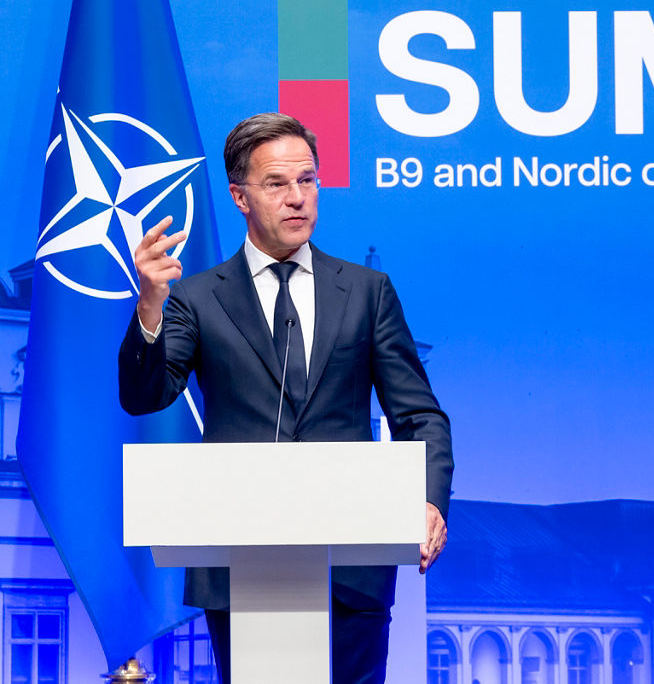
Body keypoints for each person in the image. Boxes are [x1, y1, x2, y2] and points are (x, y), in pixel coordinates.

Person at [118, 112, 453, 684]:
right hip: (241, 562)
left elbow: (419, 415)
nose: (298, 198)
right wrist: (150, 302)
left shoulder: (367, 293)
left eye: (308, 180)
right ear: (240, 196)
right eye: (277, 184)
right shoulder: (198, 299)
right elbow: (145, 395)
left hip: (354, 563)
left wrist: (428, 502)